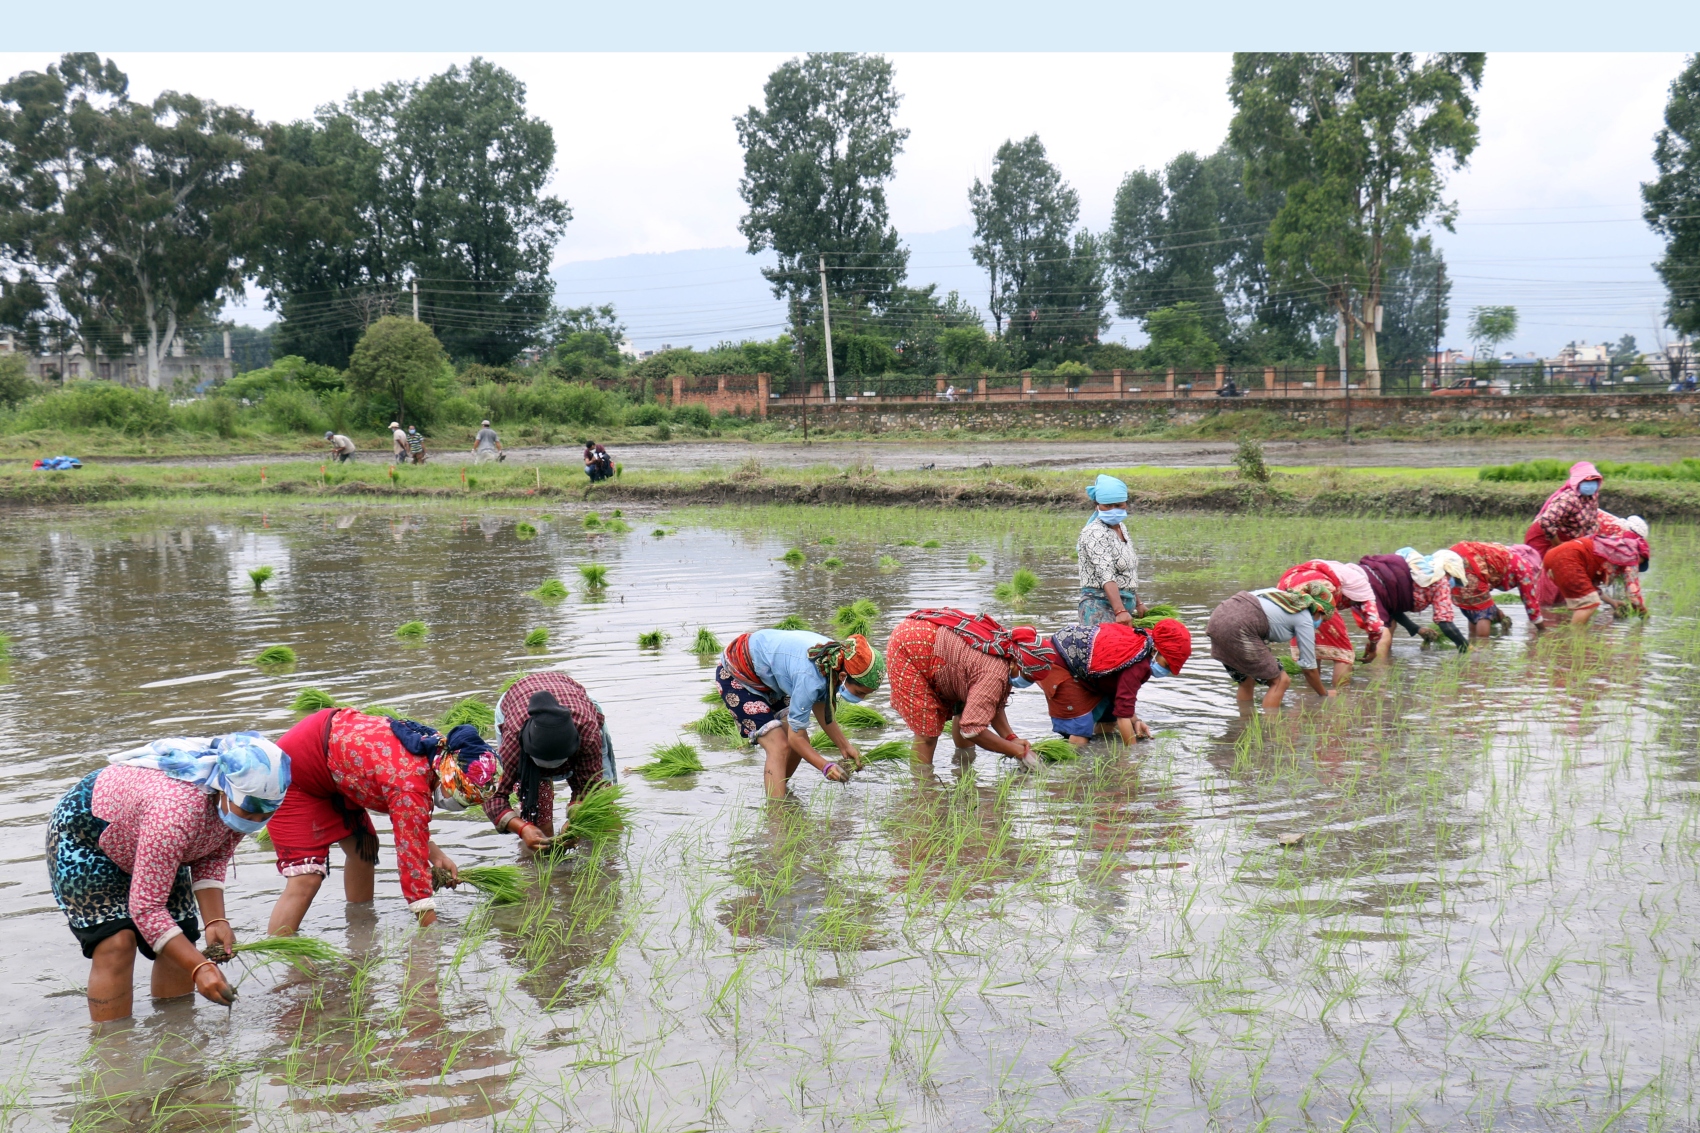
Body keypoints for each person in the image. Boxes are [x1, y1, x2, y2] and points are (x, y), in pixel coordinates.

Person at [46, 732, 291, 1021]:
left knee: (182, 937)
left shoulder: (239, 806)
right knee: (116, 943)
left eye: (266, 813)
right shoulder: (176, 814)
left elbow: (211, 855)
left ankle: (174, 1039)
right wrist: (200, 968)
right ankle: (113, 1051)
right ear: (224, 788)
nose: (255, 821)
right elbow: (147, 909)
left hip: (149, 839)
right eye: (249, 812)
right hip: (87, 836)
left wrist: (216, 920)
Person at [266, 709, 497, 935]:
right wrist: (431, 931)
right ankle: (279, 951)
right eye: (463, 800)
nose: (462, 806)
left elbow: (407, 819)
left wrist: (434, 853)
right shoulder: (411, 784)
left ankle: (359, 929)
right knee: (306, 879)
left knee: (364, 849)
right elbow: (411, 864)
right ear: (448, 778)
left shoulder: (436, 750)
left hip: (330, 758)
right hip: (292, 771)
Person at [716, 628, 885, 798]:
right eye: (859, 692)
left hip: (769, 676)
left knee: (799, 744)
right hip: (737, 674)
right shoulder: (811, 676)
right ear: (843, 676)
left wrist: (844, 746)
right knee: (779, 745)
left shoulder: (832, 661)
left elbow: (820, 706)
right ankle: (776, 816)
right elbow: (795, 738)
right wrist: (825, 767)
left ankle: (779, 791)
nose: (861, 698)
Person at [886, 607, 1049, 768]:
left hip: (939, 645)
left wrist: (1011, 738)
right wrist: (1019, 752)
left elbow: (990, 703)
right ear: (1015, 663)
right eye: (1027, 676)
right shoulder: (994, 672)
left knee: (968, 708)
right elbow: (972, 730)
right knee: (927, 733)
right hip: (911, 647)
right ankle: (922, 785)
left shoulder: (1007, 654)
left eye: (1032, 680)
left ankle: (962, 766)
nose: (1027, 682)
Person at [485, 671, 618, 850]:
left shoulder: (587, 731)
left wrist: (576, 821)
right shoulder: (514, 741)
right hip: (516, 702)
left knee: (603, 807)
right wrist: (523, 828)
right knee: (537, 817)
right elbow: (493, 796)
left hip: (576, 701)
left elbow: (589, 786)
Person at [1042, 618, 1191, 747]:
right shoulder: (1138, 663)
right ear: (1157, 649)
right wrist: (1132, 757)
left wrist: (1136, 720)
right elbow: (1123, 715)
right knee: (1080, 731)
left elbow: (1123, 697)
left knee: (1108, 719)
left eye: (1170, 668)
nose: (1165, 670)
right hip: (1060, 662)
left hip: (1088, 671)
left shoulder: (1147, 642)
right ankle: (1072, 768)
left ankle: (1102, 756)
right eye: (1166, 664)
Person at [1206, 582, 1337, 713]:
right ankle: (1272, 729)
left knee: (1246, 680)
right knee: (1281, 681)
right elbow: (1309, 669)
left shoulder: (1280, 594)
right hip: (1240, 627)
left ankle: (1245, 725)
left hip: (1217, 619)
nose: (1320, 624)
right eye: (1323, 619)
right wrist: (1324, 695)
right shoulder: (1305, 618)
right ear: (1318, 610)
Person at [1276, 559, 1384, 686]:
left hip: (1284, 592)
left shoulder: (1333, 569)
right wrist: (1372, 647)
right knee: (1344, 653)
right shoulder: (1361, 584)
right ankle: (1341, 697)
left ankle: (1309, 698)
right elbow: (1375, 626)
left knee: (1309, 651)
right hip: (1318, 589)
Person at [1355, 549, 1470, 656]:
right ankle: (1379, 672)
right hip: (1375, 586)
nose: (1452, 582)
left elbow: (1393, 608)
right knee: (1383, 632)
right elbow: (1445, 623)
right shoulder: (1441, 580)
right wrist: (1466, 647)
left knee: (1390, 622)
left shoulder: (1417, 566)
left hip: (1362, 576)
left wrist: (1417, 629)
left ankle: (1386, 659)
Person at [1538, 529, 1649, 626]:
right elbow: (1634, 596)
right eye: (1641, 562)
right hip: (1568, 559)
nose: (1637, 566)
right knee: (1588, 604)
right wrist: (1645, 616)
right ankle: (1574, 640)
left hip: (1552, 556)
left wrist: (1612, 602)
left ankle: (1571, 638)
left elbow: (1591, 587)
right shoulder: (1631, 556)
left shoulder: (1610, 548)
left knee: (1585, 599)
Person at [1078, 474, 1146, 626]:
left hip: (1122, 606)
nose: (1113, 510)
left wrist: (1138, 603)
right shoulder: (1095, 532)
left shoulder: (1121, 528)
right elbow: (1106, 575)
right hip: (1099, 607)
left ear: (1126, 504)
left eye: (1118, 505)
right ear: (1097, 505)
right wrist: (1119, 611)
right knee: (1108, 648)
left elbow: (1126, 573)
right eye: (1107, 506)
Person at [1451, 541, 1543, 637]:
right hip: (1470, 561)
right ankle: (1483, 648)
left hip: (1455, 555)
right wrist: (1543, 630)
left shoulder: (1501, 553)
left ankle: (1472, 643)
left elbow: (1482, 594)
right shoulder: (1524, 567)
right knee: (1483, 611)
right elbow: (1531, 605)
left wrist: (1500, 615)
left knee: (1474, 606)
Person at [1524, 461, 1603, 559]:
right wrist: (1559, 547)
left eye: (1594, 480)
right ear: (1578, 481)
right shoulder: (1569, 498)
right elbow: (1546, 521)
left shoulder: (1592, 497)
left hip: (1568, 538)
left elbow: (1591, 525)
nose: (1590, 484)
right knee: (1542, 570)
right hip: (1544, 538)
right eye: (1586, 480)